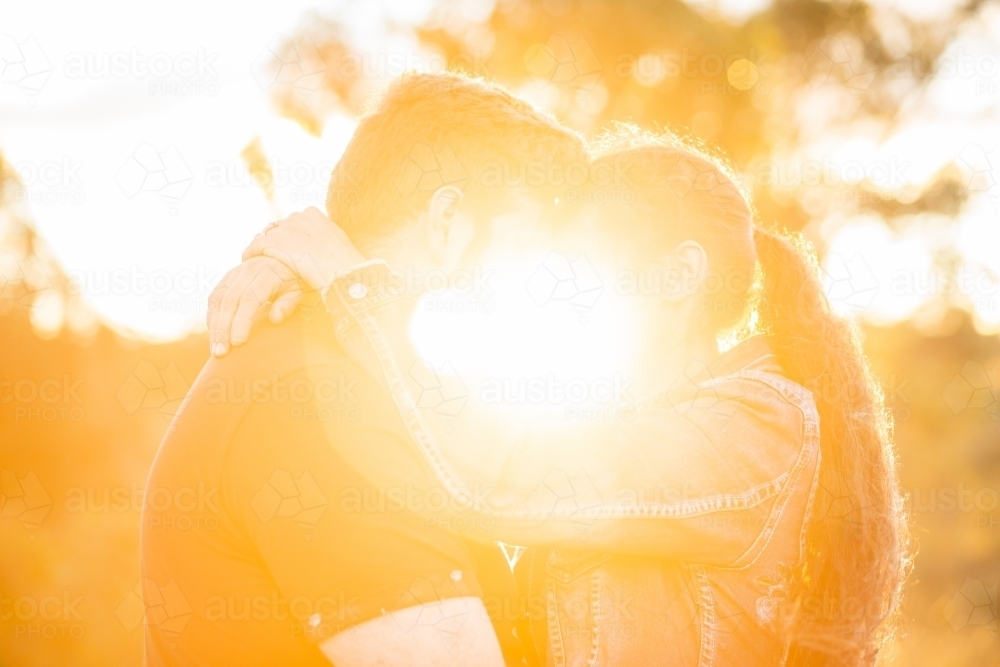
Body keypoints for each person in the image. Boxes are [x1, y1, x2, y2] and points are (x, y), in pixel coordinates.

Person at [211, 129, 909, 666]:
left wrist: (345, 277)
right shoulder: (616, 426)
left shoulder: (759, 425)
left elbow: (492, 477)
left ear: (678, 275)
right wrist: (302, 279)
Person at [141, 71, 588, 667]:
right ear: (447, 217)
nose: (536, 274)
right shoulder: (316, 409)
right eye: (526, 240)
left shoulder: (359, 381)